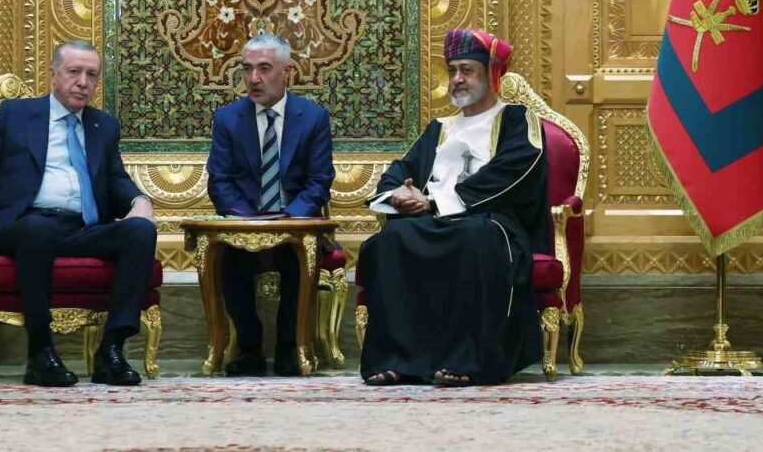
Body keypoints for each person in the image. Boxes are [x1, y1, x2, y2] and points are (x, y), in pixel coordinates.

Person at [0, 41, 157, 388]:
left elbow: (115, 179)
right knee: (38, 230)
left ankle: (111, 350)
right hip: (24, 226)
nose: (83, 82)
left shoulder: (103, 126)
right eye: (74, 72)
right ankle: (40, 352)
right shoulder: (17, 115)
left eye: (91, 75)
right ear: (53, 75)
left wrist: (140, 201)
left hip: (81, 228)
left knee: (140, 231)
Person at [357, 27, 547, 387]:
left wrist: (434, 201)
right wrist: (398, 195)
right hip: (436, 220)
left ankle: (468, 360)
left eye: (467, 70)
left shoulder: (516, 120)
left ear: (491, 75)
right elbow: (402, 170)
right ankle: (399, 361)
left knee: (475, 237)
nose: (457, 79)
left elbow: (514, 172)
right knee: (391, 239)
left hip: (491, 222)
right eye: (452, 71)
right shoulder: (440, 128)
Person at [205, 34, 335, 376]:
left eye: (264, 69)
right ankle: (249, 348)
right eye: (247, 69)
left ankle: (290, 347)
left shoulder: (313, 117)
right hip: (245, 224)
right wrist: (252, 224)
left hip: (294, 225)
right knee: (230, 259)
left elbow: (319, 181)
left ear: (287, 71)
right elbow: (220, 182)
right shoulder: (228, 119)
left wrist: (288, 221)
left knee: (298, 257)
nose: (254, 79)